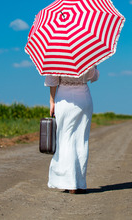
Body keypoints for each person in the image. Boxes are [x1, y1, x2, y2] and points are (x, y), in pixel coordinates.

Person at [44, 65, 99, 194]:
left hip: (64, 98)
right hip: (83, 98)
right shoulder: (87, 55)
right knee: (81, 140)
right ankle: (79, 183)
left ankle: (69, 182)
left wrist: (52, 101)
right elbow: (94, 77)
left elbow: (52, 80)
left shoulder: (57, 55)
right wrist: (94, 66)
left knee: (65, 139)